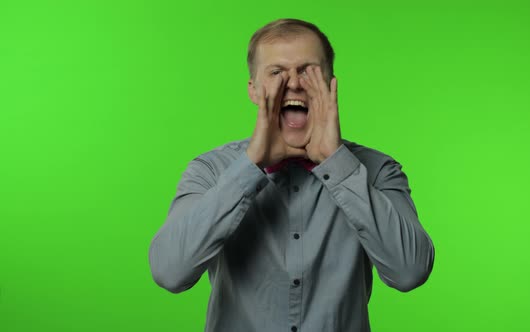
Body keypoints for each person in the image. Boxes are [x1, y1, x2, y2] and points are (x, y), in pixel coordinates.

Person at [149, 18, 435, 332]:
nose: (294, 83)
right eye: (276, 73)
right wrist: (250, 166)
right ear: (253, 90)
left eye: (307, 71)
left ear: (329, 84)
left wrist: (337, 164)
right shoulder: (210, 170)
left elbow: (410, 271)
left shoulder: (378, 169)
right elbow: (169, 272)